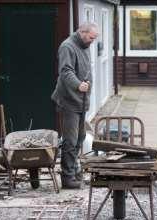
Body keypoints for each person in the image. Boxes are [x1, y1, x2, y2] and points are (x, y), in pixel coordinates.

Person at [51, 23, 98, 189]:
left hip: (81, 100)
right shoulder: (67, 47)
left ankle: (75, 169)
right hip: (69, 100)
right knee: (70, 140)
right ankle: (67, 177)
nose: (93, 41)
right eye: (92, 37)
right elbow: (65, 71)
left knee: (80, 137)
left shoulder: (84, 44)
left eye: (95, 38)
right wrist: (78, 85)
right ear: (82, 32)